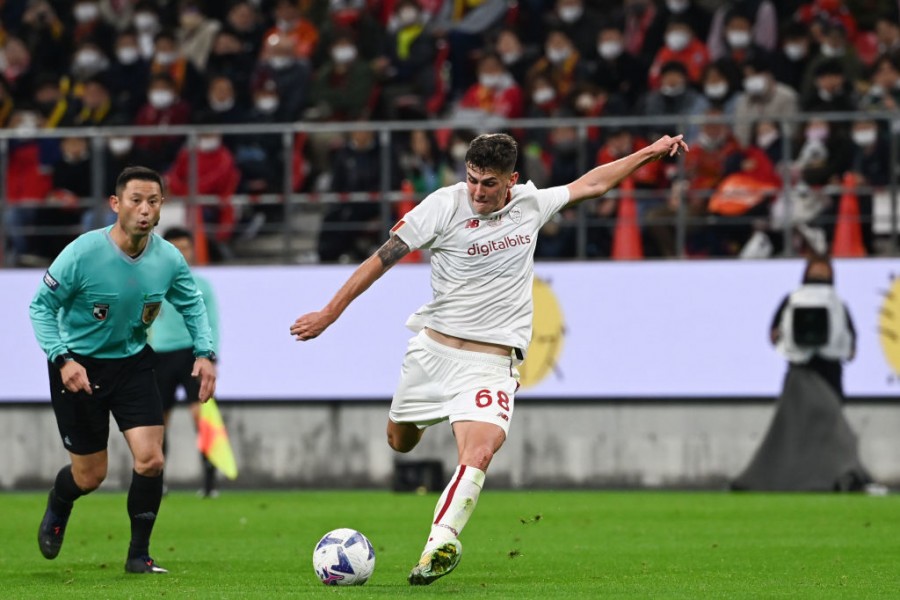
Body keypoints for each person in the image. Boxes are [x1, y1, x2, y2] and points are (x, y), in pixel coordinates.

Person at [290, 131, 688, 585]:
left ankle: (440, 543)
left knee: (480, 451)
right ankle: (424, 429)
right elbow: (381, 260)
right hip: (432, 353)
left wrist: (649, 152)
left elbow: (593, 184)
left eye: (490, 184)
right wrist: (329, 313)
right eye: (473, 180)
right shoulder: (443, 205)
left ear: (512, 181)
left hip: (489, 365)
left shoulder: (530, 205)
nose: (478, 192)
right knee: (399, 440)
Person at [29, 166, 217, 574]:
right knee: (91, 475)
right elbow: (40, 308)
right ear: (116, 204)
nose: (144, 209)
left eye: (153, 201)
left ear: (163, 206)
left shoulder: (168, 258)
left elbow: (192, 304)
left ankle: (138, 556)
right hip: (78, 367)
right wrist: (62, 359)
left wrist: (205, 353)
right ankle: (59, 503)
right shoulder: (82, 253)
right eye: (136, 200)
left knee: (151, 460)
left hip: (132, 363)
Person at [732, 256, 879, 492]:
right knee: (794, 430)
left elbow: (850, 341)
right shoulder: (792, 301)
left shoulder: (838, 304)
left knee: (833, 430)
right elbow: (775, 334)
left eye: (824, 269)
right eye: (816, 269)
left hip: (829, 373)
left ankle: (834, 477)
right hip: (800, 373)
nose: (820, 274)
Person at [149, 227, 220, 498]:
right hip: (160, 355)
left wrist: (211, 356)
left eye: (185, 247)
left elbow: (212, 323)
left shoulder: (202, 285)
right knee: (158, 421)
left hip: (193, 354)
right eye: (175, 247)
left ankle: (210, 482)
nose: (181, 252)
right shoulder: (153, 283)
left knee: (201, 417)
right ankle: (158, 481)